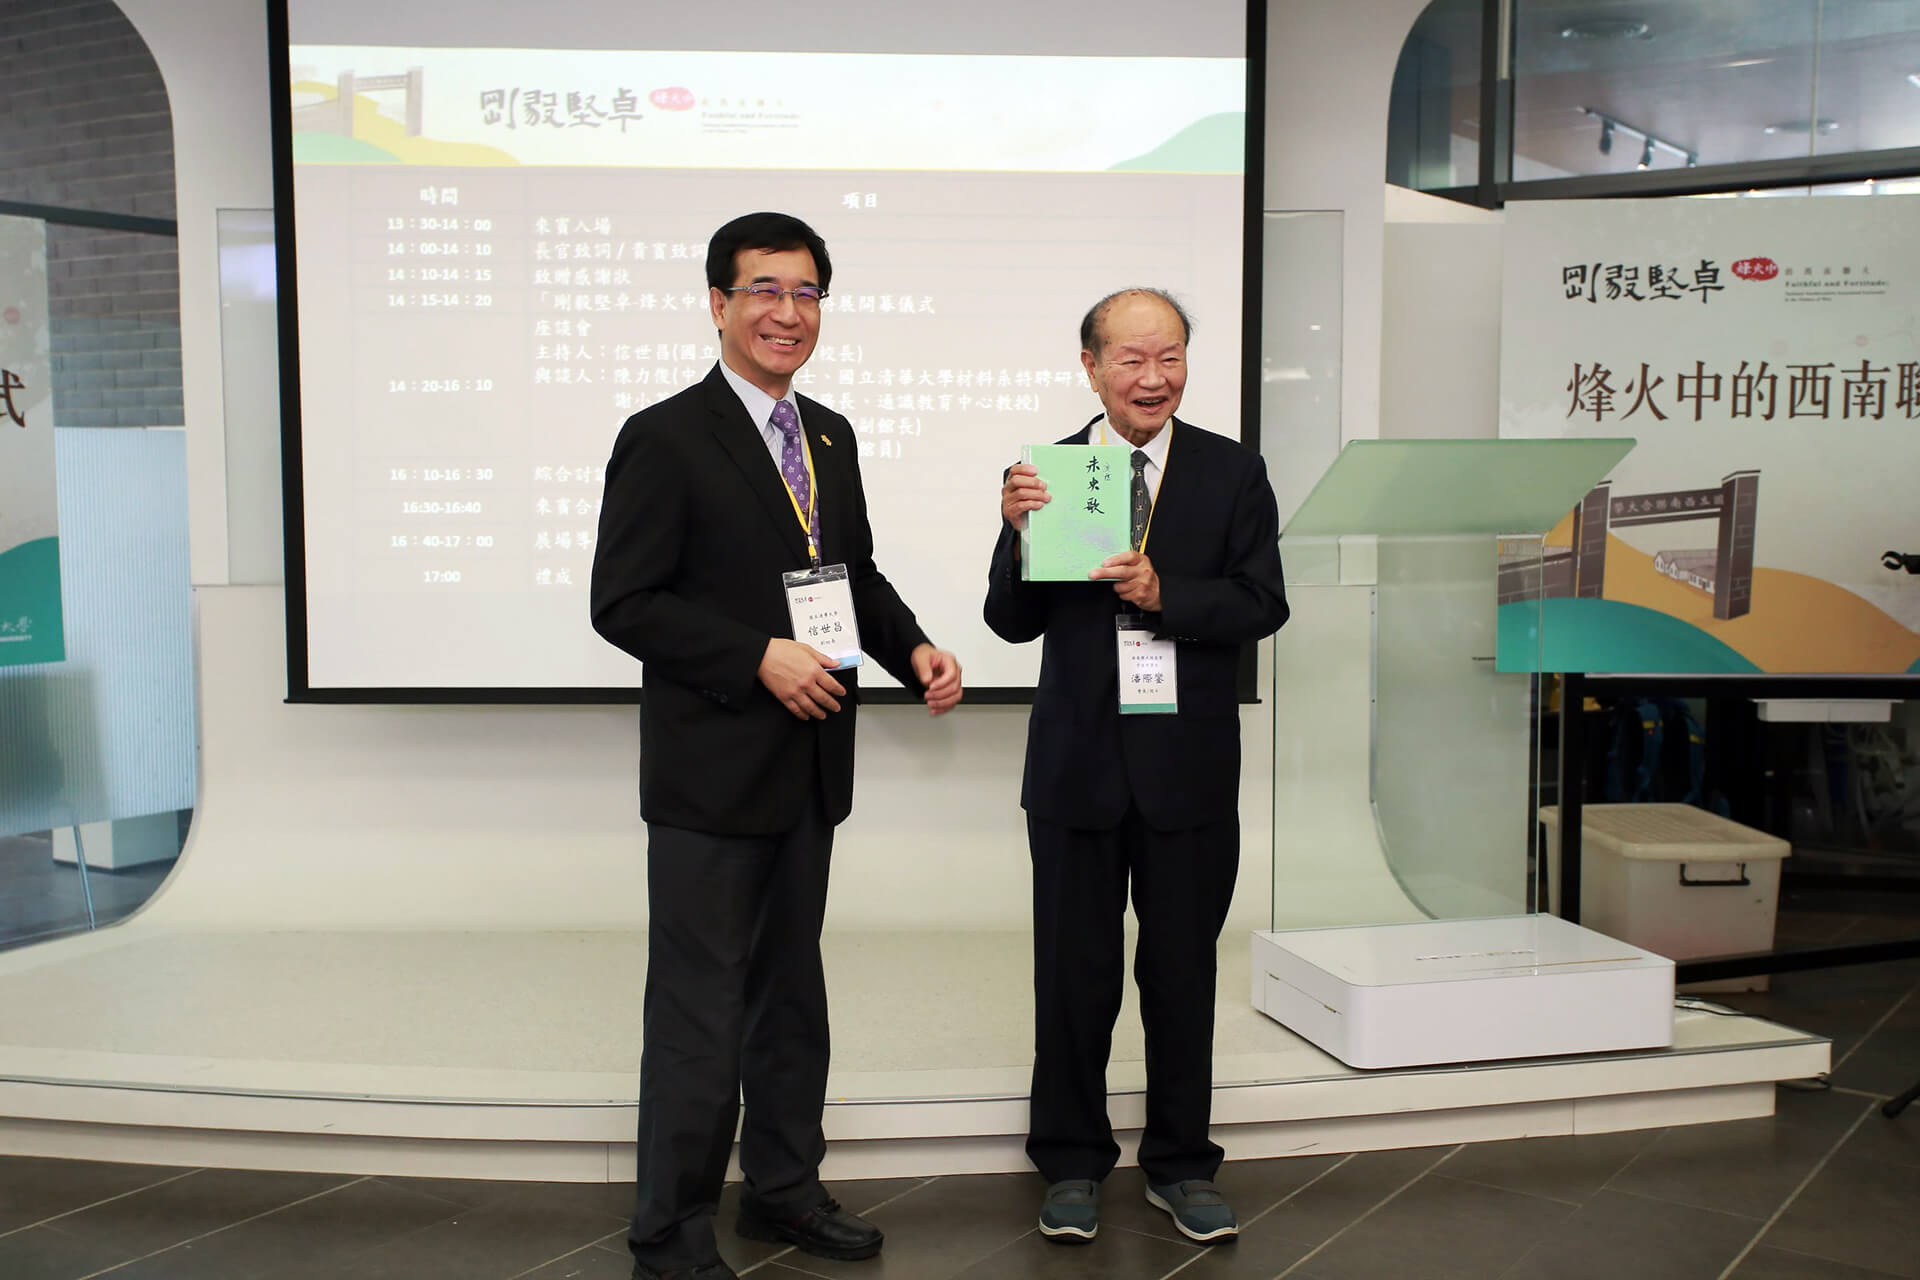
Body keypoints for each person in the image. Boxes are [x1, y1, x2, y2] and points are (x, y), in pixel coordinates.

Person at [592, 211, 963, 1280]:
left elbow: (850, 576)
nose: (786, 312)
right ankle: (669, 1234)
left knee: (791, 998)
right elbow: (623, 602)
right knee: (699, 1016)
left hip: (808, 769)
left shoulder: (828, 435)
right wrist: (756, 655)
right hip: (710, 781)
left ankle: (783, 1191)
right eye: (764, 290)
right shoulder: (666, 436)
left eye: (806, 292)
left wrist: (914, 649)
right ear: (718, 303)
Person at [984, 287, 1289, 1247]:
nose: (1153, 378)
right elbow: (1008, 623)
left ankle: (1182, 1163)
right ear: (1091, 366)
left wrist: (1168, 594)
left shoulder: (1230, 471)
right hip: (1075, 768)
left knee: (1182, 973)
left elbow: (1263, 604)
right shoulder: (1051, 474)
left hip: (1187, 769)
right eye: (1131, 359)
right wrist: (1019, 535)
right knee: (1073, 977)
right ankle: (1071, 1162)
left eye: (1171, 357)